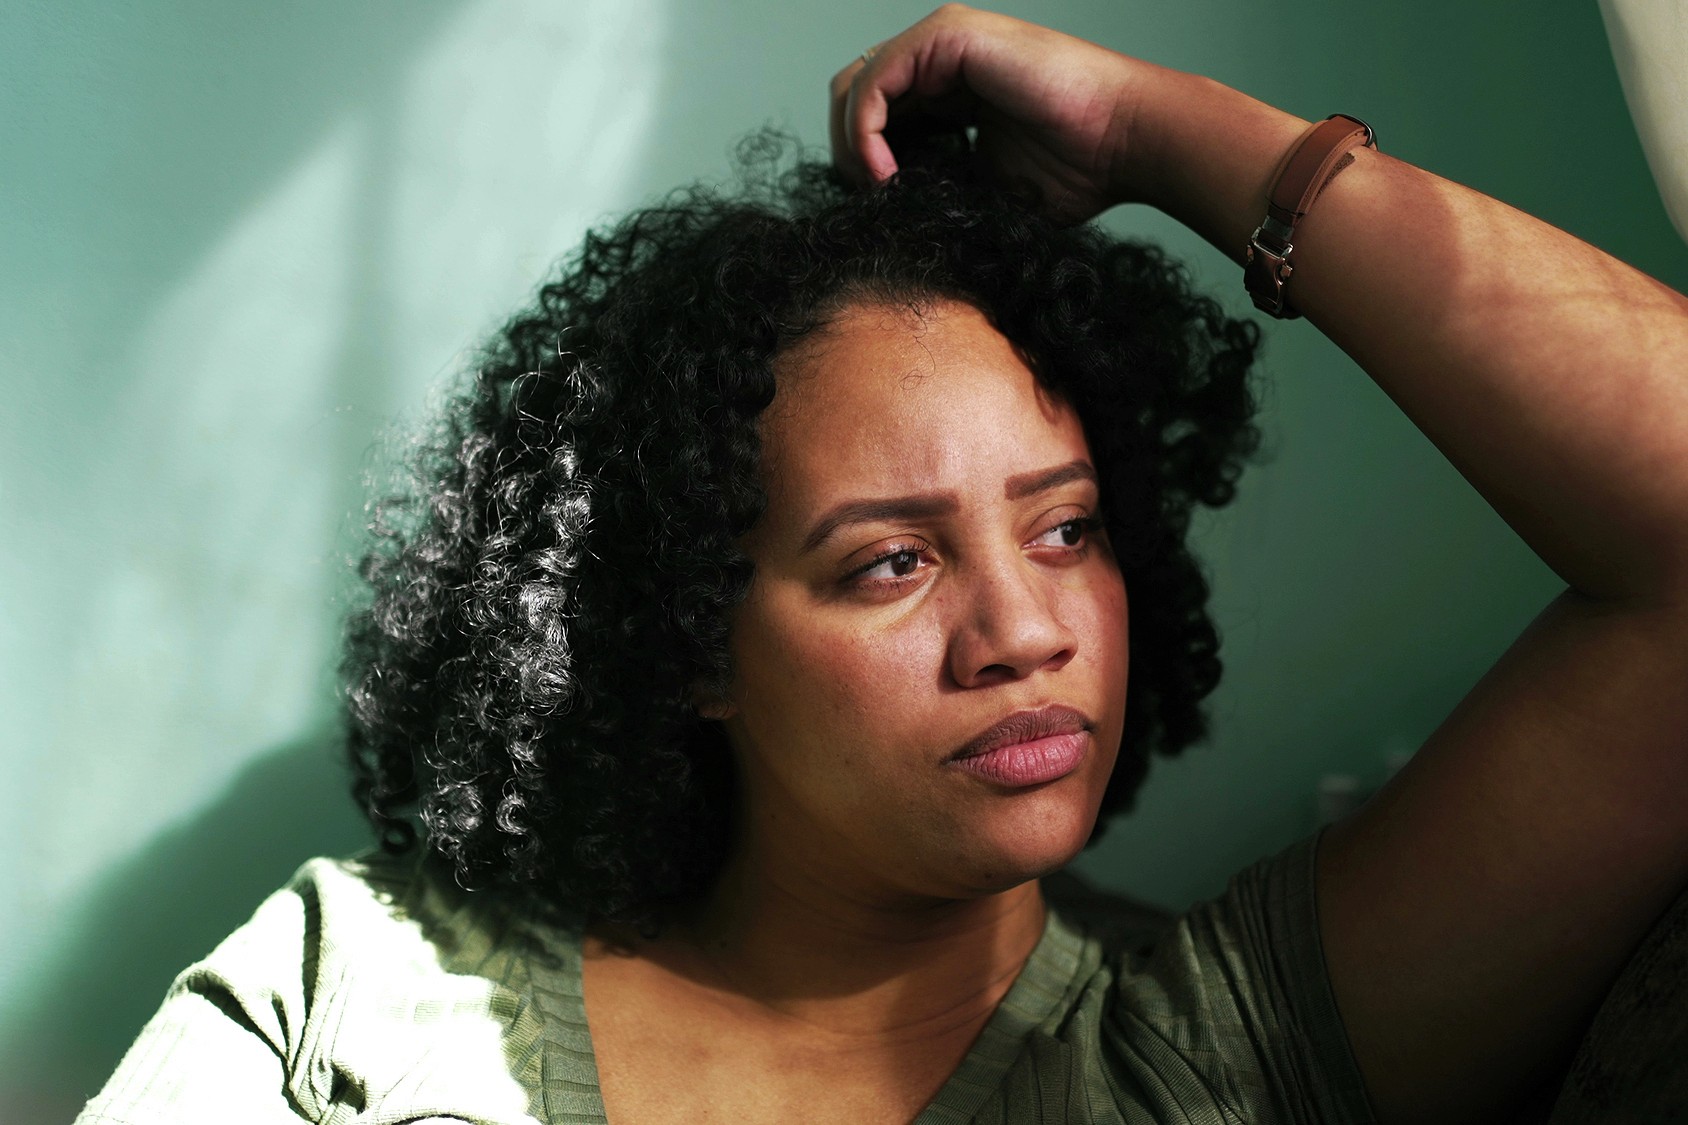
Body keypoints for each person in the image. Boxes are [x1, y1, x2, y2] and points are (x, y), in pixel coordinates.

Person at [79, 6, 1688, 1124]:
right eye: (891, 564)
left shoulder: (1208, 1053)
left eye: (1068, 528)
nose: (1024, 629)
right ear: (691, 635)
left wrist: (1157, 134)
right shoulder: (359, 986)